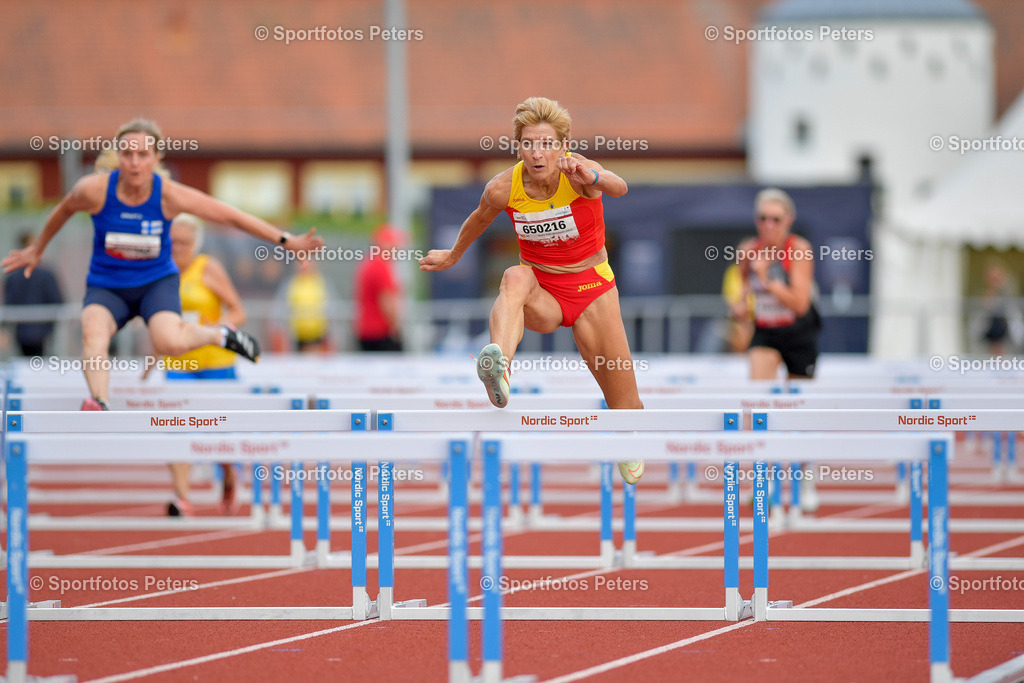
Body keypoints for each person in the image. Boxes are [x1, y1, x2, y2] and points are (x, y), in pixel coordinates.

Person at [1, 119, 323, 410]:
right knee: (93, 332)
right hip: (107, 285)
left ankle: (221, 336)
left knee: (169, 342)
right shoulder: (95, 191)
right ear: (118, 157)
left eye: (143, 155)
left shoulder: (169, 196)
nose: (135, 163)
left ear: (156, 159)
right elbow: (63, 211)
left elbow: (231, 215)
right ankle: (99, 401)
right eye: (127, 154)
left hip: (155, 283)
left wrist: (287, 241)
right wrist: (36, 249)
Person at [419, 97, 644, 484]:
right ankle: (499, 368)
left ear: (562, 145)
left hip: (593, 290)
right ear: (518, 146)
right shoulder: (503, 187)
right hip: (545, 291)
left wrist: (591, 177)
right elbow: (478, 220)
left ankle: (629, 439)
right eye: (529, 144)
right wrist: (454, 256)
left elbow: (620, 187)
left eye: (546, 144)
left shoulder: (578, 173)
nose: (537, 153)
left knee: (624, 401)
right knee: (513, 277)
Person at [160, 213, 244, 515]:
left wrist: (214, 330)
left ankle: (230, 475)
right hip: (178, 364)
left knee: (220, 430)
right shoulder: (160, 271)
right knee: (176, 427)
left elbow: (238, 311)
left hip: (215, 363)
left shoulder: (207, 268)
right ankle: (182, 497)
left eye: (184, 242)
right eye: (173, 241)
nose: (177, 247)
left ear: (195, 243)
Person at [734, 188, 820, 380]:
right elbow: (743, 294)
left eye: (776, 219)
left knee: (800, 403)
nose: (769, 225)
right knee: (758, 397)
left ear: (789, 220)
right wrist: (740, 310)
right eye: (763, 218)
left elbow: (800, 305)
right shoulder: (747, 251)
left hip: (798, 332)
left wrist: (768, 282)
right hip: (766, 331)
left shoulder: (799, 250)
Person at [3, 231, 64, 357]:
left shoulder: (13, 277)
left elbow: (9, 303)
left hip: (22, 331)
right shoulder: (46, 274)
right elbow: (57, 300)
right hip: (43, 331)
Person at [355, 224, 405, 351]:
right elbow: (386, 300)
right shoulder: (381, 266)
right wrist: (395, 326)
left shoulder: (368, 263)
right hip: (381, 333)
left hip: (366, 330)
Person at [284, 256, 331, 353]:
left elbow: (331, 310)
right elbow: (282, 310)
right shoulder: (291, 284)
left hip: (318, 336)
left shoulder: (322, 283)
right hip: (296, 337)